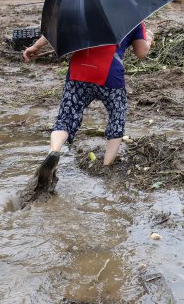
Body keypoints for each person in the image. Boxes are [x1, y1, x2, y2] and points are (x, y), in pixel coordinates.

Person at [22, 23, 153, 190]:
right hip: (110, 75)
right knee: (117, 115)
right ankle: (106, 167)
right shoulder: (132, 17)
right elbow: (141, 53)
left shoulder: (80, 10)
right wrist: (148, 38)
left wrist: (35, 46)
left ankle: (53, 152)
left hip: (79, 71)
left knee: (66, 118)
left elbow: (55, 30)